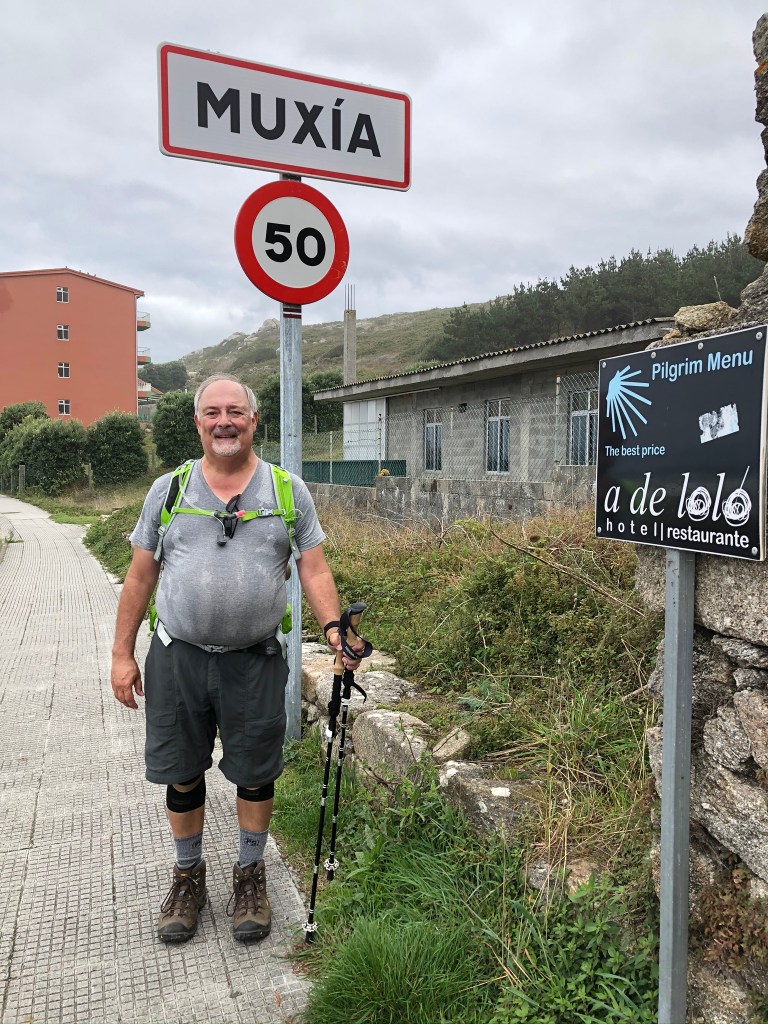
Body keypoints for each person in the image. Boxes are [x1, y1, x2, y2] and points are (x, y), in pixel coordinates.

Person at [110, 373, 361, 944]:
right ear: (198, 423)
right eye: (213, 412)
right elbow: (141, 575)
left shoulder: (287, 490)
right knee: (181, 771)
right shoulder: (169, 490)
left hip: (255, 659)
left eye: (235, 412)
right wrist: (122, 654)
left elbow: (313, 567)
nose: (224, 422)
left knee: (255, 772)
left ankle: (250, 873)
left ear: (253, 420)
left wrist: (332, 627)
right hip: (178, 657)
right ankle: (188, 875)